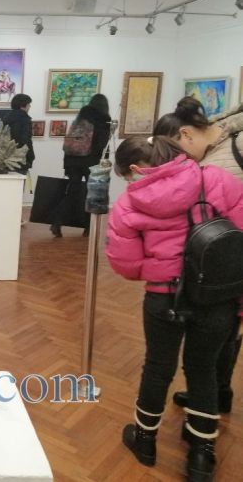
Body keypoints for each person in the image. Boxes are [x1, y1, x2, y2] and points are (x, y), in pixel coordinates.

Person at [105, 134, 243, 481]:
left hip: (165, 296)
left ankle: (145, 441)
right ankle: (201, 456)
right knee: (204, 369)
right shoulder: (216, 179)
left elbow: (125, 264)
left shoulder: (129, 203)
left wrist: (159, 268)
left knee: (157, 367)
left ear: (135, 168)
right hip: (216, 296)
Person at [153, 97, 243, 415]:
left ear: (187, 134)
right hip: (217, 256)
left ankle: (215, 395)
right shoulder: (216, 148)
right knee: (224, 327)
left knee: (226, 327)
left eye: (176, 150)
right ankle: (215, 393)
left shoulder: (234, 146)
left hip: (232, 252)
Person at [50, 94, 112, 238]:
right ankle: (88, 228)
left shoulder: (80, 117)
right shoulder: (103, 119)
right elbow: (102, 144)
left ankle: (57, 222)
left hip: (72, 161)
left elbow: (70, 141)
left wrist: (67, 163)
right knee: (92, 194)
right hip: (91, 161)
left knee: (72, 191)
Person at [1, 93, 34, 172]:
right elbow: (25, 141)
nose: (29, 107)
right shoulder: (24, 119)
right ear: (23, 105)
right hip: (19, 160)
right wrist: (30, 157)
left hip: (3, 159)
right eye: (29, 104)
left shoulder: (6, 118)